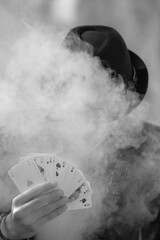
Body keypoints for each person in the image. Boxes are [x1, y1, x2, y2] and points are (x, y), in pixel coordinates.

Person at [0, 25, 159, 240]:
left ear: (123, 100)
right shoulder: (11, 141)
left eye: (101, 98)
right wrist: (8, 230)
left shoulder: (151, 151)